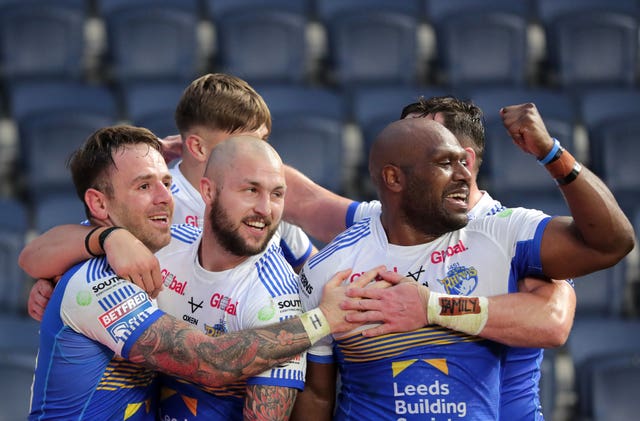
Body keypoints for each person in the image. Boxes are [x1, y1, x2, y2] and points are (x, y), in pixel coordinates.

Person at [22, 125, 388, 420]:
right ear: (99, 204)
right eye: (144, 186)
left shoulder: (149, 252)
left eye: (166, 183)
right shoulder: (94, 278)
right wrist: (322, 320)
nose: (165, 198)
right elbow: (209, 361)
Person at [291, 109, 634, 419]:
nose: (461, 174)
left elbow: (558, 317)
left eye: (459, 161)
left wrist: (552, 153)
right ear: (393, 178)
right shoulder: (349, 245)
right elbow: (304, 200)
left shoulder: (507, 233)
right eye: (443, 161)